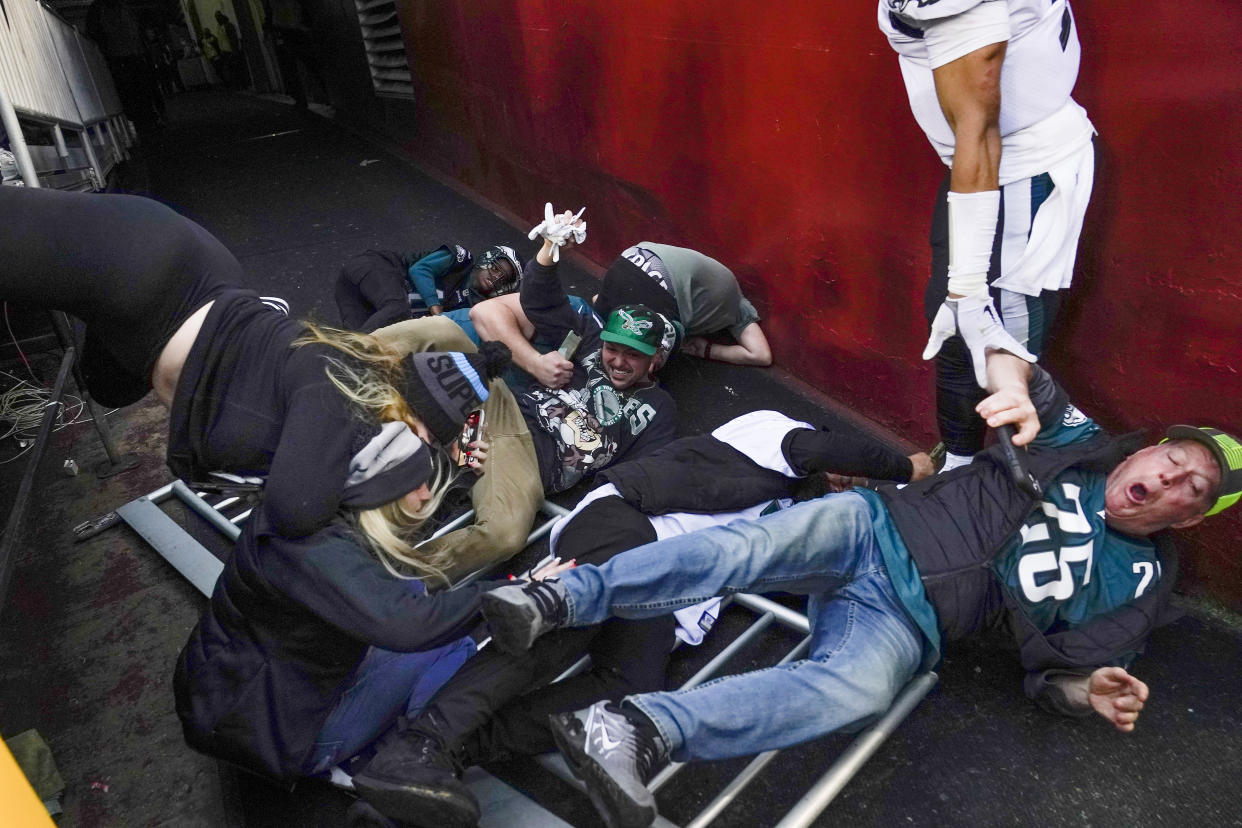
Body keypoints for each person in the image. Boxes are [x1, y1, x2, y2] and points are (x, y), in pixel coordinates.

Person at [482, 353, 1241, 828]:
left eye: (1194, 486)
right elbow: (1012, 359)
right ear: (1152, 448)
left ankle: (634, 730)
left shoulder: (1143, 581)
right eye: (1176, 456)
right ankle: (561, 600)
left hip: (909, 620)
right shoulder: (1078, 441)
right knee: (750, 546)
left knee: (858, 689)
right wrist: (1009, 386)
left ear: (1194, 513)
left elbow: (1059, 678)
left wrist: (1089, 693)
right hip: (876, 525)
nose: (1174, 477)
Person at [347, 409, 934, 826]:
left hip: (666, 590)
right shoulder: (775, 433)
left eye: (860, 485)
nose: (851, 482)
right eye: (857, 475)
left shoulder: (800, 513)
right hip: (632, 525)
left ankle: (445, 758)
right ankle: (420, 746)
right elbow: (819, 452)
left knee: (629, 687)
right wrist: (907, 469)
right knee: (563, 628)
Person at [0, 186, 503, 542]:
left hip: (169, 305)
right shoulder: (334, 395)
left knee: (106, 387)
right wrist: (414, 467)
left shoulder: (345, 433)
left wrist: (442, 464)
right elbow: (293, 510)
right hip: (152, 268)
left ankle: (232, 320)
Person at [172, 399, 574, 786]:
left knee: (413, 591)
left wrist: (460, 475)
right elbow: (410, 625)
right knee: (451, 645)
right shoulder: (317, 554)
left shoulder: (308, 504)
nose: (423, 494)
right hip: (271, 737)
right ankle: (410, 750)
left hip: (226, 696)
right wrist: (521, 589)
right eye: (416, 485)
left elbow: (394, 531)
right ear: (377, 494)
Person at [367, 210, 680, 579]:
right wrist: (550, 247)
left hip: (528, 463)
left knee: (505, 534)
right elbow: (541, 300)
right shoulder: (591, 341)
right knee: (446, 331)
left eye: (634, 355)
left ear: (655, 360)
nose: (619, 362)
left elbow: (641, 475)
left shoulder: (660, 409)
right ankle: (345, 354)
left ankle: (398, 579)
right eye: (615, 349)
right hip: (500, 414)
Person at [880, 0, 1097, 471]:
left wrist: (969, 289)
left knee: (998, 348)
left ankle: (1003, 488)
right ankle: (958, 466)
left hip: (1015, 172)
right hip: (982, 170)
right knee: (958, 333)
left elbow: (979, 130)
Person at [473, 239, 772, 388]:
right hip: (658, 287)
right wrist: (707, 349)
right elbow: (760, 355)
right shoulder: (739, 308)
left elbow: (595, 298)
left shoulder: (716, 281)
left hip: (630, 261)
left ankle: (575, 355)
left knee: (602, 326)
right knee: (638, 361)